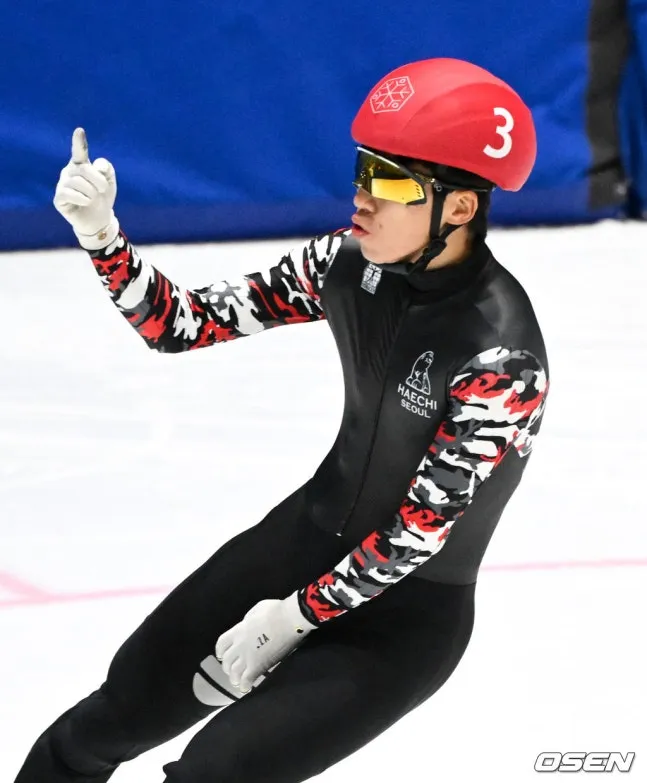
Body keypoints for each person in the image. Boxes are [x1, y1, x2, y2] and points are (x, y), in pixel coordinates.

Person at [14, 57, 549, 783]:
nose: (362, 198)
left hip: (402, 615)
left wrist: (295, 617)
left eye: (392, 182)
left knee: (215, 773)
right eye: (363, 170)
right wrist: (102, 236)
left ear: (457, 208)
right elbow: (181, 324)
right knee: (104, 723)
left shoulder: (502, 357)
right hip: (298, 546)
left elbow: (417, 532)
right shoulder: (342, 262)